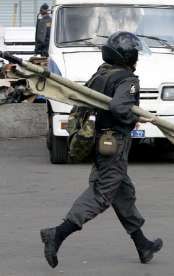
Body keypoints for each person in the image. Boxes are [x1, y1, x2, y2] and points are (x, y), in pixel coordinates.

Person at [40, 32, 162, 268]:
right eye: (134, 54)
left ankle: (142, 245)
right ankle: (57, 234)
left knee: (123, 193)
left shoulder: (101, 74)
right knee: (102, 194)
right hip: (114, 145)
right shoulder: (127, 79)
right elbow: (119, 108)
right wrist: (137, 118)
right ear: (128, 57)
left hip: (100, 141)